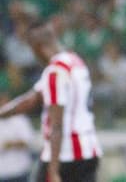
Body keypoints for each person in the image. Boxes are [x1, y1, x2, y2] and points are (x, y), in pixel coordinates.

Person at [0, 20, 102, 182]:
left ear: (37, 47)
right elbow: (30, 100)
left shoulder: (54, 73)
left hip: (65, 155)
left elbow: (57, 125)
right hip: (89, 150)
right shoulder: (75, 62)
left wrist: (53, 172)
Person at [0, 76, 35, 182]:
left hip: (22, 171)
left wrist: (10, 144)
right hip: (3, 173)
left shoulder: (20, 118)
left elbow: (30, 141)